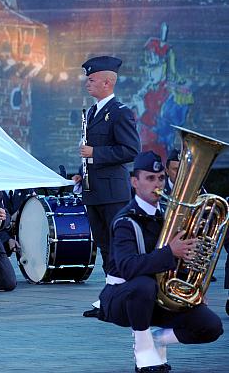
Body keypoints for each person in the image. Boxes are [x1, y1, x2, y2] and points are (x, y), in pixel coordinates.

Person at [97, 151, 223, 372]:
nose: (157, 184)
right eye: (150, 178)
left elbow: (178, 262)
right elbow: (127, 267)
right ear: (134, 182)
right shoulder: (125, 221)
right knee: (143, 284)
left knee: (211, 327)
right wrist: (170, 252)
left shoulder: (168, 214)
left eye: (161, 178)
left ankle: (158, 339)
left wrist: (193, 287)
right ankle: (143, 351)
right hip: (122, 298)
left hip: (158, 297)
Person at [72, 56, 140, 318]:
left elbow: (130, 150)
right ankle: (111, 296)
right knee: (103, 244)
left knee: (117, 245)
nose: (87, 83)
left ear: (107, 82)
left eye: (91, 79)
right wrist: (81, 172)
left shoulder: (121, 112)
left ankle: (120, 297)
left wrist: (95, 153)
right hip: (94, 190)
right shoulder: (91, 112)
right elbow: (89, 154)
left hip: (113, 192)